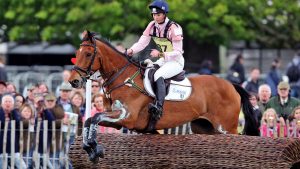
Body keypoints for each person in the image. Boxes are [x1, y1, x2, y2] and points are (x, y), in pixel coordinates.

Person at [127, 0, 184, 127]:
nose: (155, 17)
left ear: (164, 14)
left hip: (176, 62)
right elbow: (142, 43)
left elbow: (178, 52)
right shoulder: (151, 26)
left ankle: (159, 107)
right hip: (163, 61)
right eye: (153, 15)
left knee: (158, 75)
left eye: (158, 15)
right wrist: (130, 50)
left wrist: (160, 54)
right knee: (147, 70)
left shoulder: (174, 28)